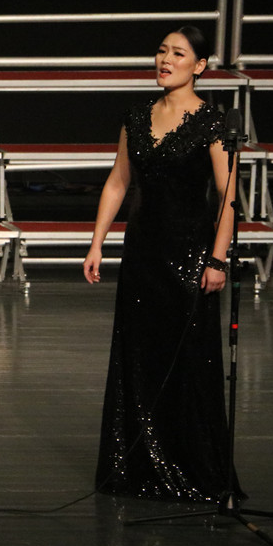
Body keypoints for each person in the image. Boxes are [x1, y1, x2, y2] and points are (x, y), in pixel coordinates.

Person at [83, 26, 242, 502]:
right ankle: (137, 469)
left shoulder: (212, 123)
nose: (165, 60)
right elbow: (118, 181)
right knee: (139, 360)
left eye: (178, 53)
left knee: (188, 365)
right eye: (161, 51)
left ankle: (193, 470)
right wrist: (97, 243)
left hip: (190, 258)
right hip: (143, 257)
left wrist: (218, 259)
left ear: (200, 66)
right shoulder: (136, 117)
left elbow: (228, 197)